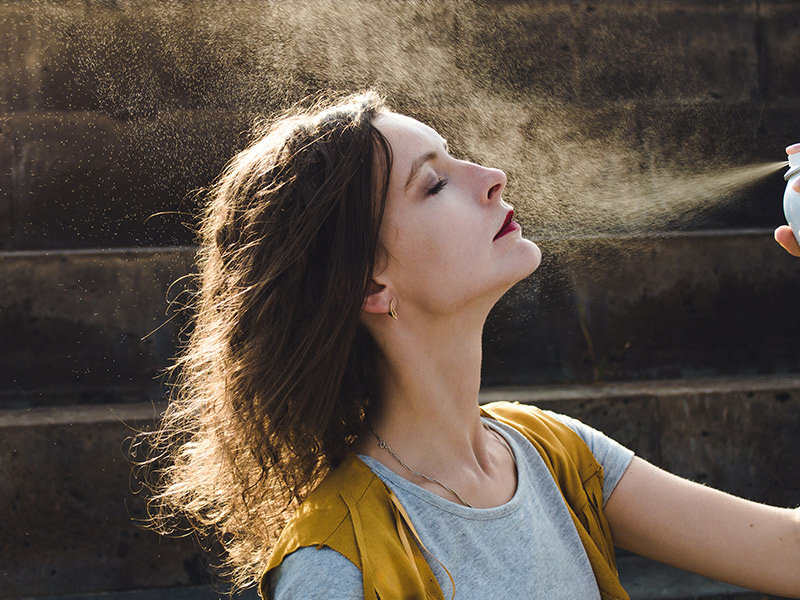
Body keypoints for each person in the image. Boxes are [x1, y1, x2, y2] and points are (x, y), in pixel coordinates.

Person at [139, 91, 800, 600]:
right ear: (371, 283)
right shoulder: (337, 566)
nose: (491, 175)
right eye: (433, 184)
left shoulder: (554, 454)